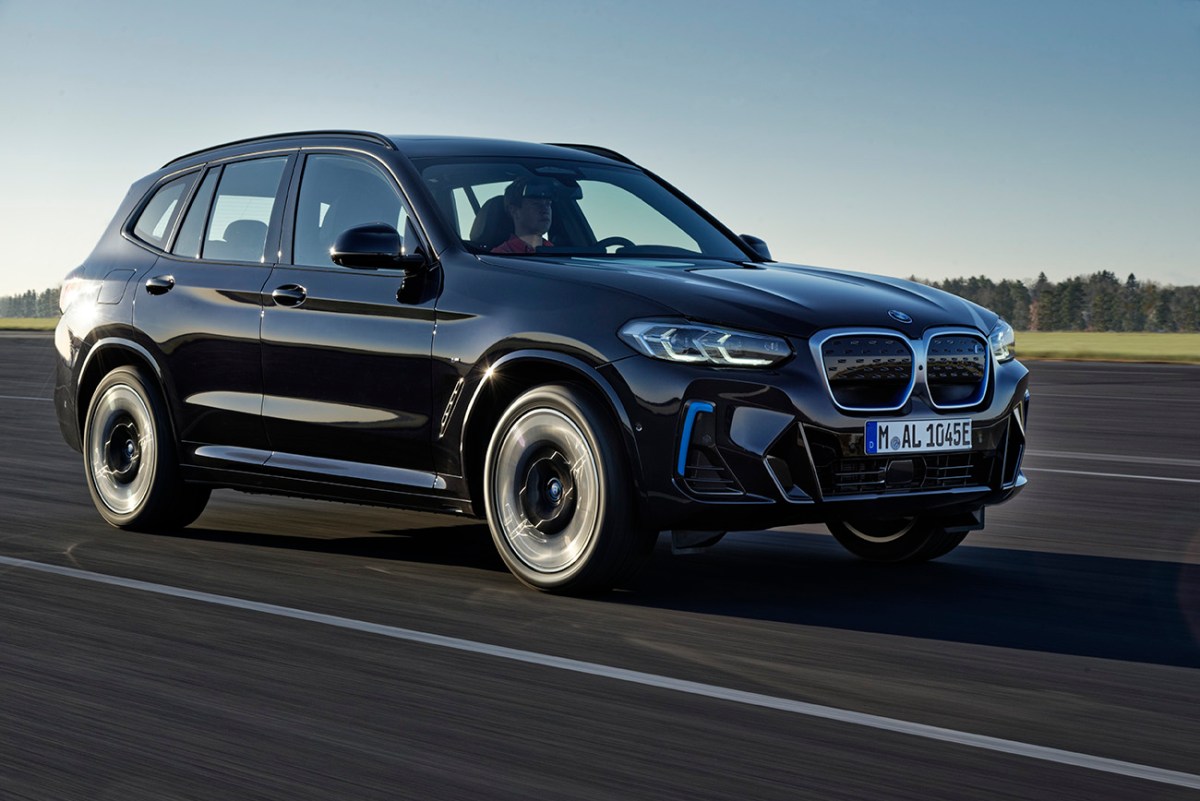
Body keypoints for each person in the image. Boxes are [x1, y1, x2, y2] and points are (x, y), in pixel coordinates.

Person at [491, 178, 555, 253]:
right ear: (514, 211)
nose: (545, 210)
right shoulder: (500, 255)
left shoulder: (556, 252)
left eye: (548, 204)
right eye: (536, 204)